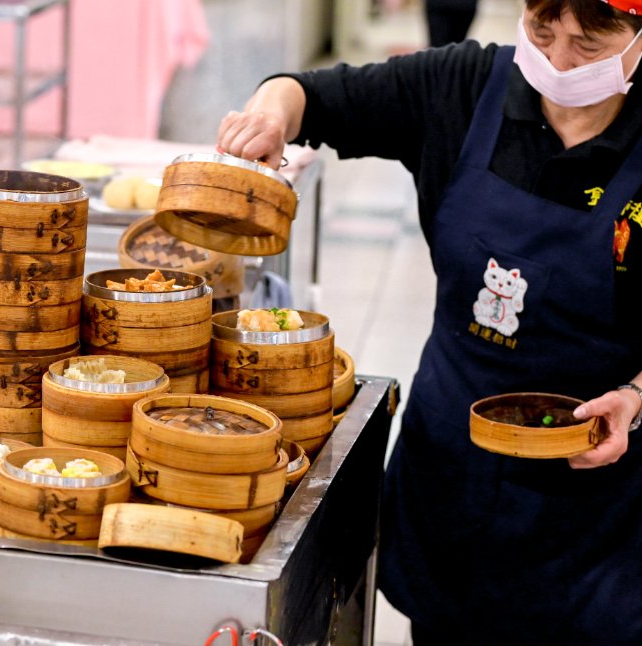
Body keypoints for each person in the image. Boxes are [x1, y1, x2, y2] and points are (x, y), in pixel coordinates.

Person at [218, 0, 642, 643]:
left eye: (588, 46)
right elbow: (308, 94)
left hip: (597, 505)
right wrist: (268, 117)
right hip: (452, 476)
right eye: (542, 32)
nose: (557, 62)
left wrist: (636, 399)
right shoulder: (466, 87)